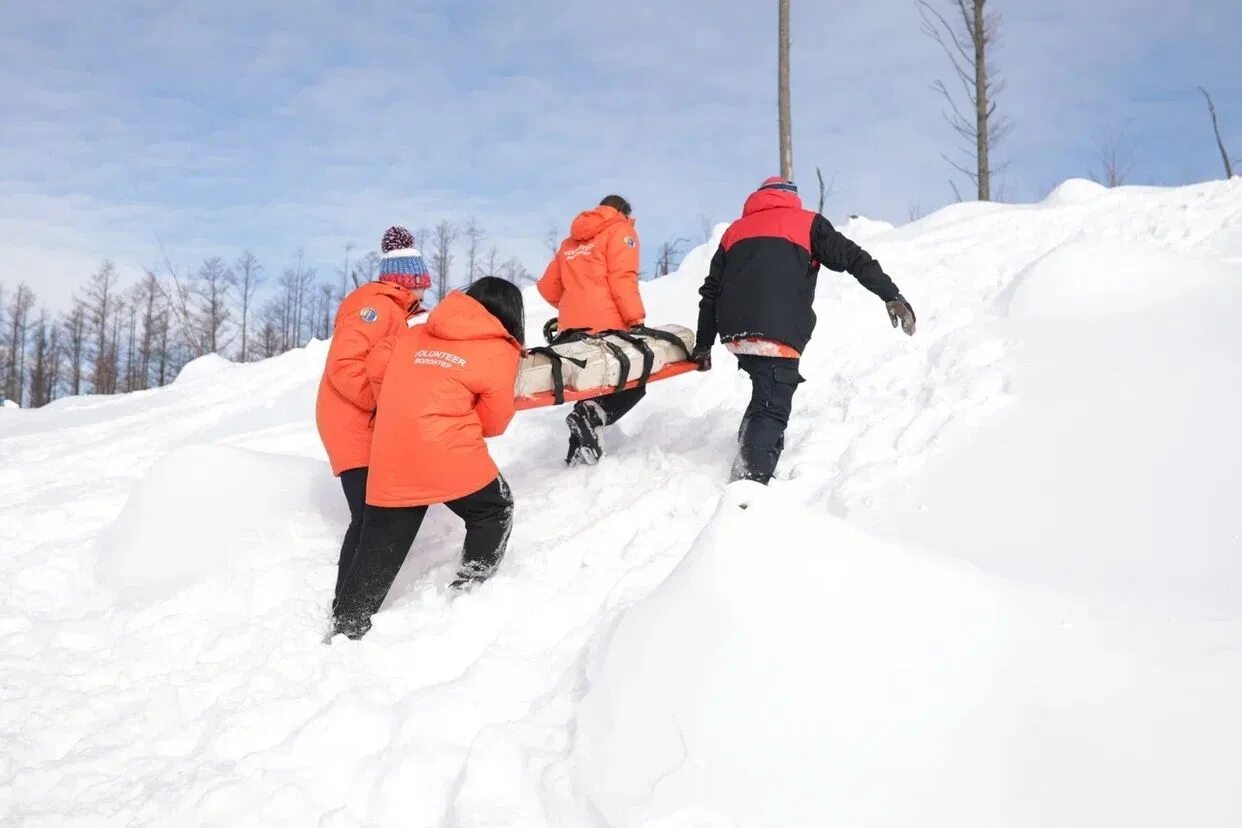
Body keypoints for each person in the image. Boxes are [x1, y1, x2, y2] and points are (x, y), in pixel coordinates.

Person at [331, 277, 525, 640]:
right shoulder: (501, 349)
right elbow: (495, 422)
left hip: (391, 452)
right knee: (494, 509)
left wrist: (393, 398)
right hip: (448, 453)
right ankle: (470, 586)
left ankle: (346, 626)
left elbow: (376, 362)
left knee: (379, 547)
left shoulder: (418, 331)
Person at [693, 177, 916, 485]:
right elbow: (854, 258)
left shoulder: (734, 231)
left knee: (766, 390)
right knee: (772, 408)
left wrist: (703, 345)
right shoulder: (807, 223)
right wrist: (891, 294)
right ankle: (747, 489)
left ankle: (754, 447)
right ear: (791, 198)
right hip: (776, 332)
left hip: (736, 335)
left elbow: (711, 291)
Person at [315, 225, 430, 606]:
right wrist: (384, 402)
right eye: (422, 283)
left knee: (369, 519)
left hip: (359, 422)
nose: (426, 291)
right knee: (376, 519)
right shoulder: (376, 307)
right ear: (408, 282)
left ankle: (346, 609)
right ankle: (351, 613)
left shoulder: (390, 310)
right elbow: (344, 365)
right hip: (353, 422)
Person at [538, 194, 645, 465]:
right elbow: (622, 278)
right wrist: (635, 319)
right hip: (606, 329)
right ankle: (591, 418)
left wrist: (571, 306)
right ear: (622, 211)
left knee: (588, 387)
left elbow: (547, 287)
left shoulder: (569, 243)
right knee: (635, 382)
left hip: (570, 333)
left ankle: (577, 458)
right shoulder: (621, 231)